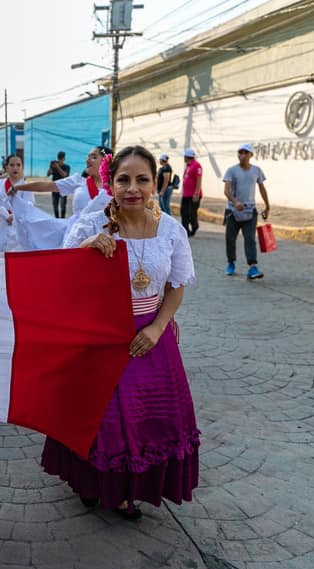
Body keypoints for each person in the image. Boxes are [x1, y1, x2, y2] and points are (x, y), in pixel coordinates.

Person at [44, 145, 199, 520]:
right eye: (123, 180)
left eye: (142, 180)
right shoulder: (90, 225)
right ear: (110, 184)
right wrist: (86, 249)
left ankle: (130, 492)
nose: (133, 188)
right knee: (101, 418)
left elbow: (176, 285)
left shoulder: (171, 230)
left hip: (151, 337)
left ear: (155, 183)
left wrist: (158, 328)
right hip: (99, 337)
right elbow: (62, 276)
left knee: (147, 418)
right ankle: (91, 484)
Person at [13, 146, 112, 240]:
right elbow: (46, 186)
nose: (87, 160)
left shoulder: (115, 187)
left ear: (106, 161)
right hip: (78, 236)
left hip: (106, 237)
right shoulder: (78, 181)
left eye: (94, 157)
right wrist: (18, 187)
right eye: (88, 157)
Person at [223, 143, 270, 279]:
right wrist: (235, 201)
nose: (242, 155)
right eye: (240, 153)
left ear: (251, 155)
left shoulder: (256, 171)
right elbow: (226, 190)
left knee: (250, 239)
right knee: (230, 239)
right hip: (233, 211)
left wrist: (267, 206)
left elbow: (262, 188)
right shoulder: (231, 170)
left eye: (245, 153)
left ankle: (252, 267)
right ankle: (231, 262)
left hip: (250, 210)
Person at [179, 148, 202, 237]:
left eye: (184, 157)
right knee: (183, 212)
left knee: (191, 213)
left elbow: (199, 180)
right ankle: (185, 231)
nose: (184, 158)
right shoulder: (188, 166)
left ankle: (195, 225)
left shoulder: (197, 165)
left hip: (193, 195)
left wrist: (196, 193)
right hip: (186, 195)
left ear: (187, 157)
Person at [48, 151, 71, 218]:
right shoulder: (54, 166)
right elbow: (48, 174)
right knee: (55, 206)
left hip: (63, 189)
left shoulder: (67, 167)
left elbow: (64, 175)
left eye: (61, 158)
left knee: (63, 206)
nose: (60, 160)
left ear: (64, 159)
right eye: (59, 158)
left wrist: (57, 167)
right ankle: (57, 219)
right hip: (54, 188)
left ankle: (63, 220)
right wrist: (50, 167)